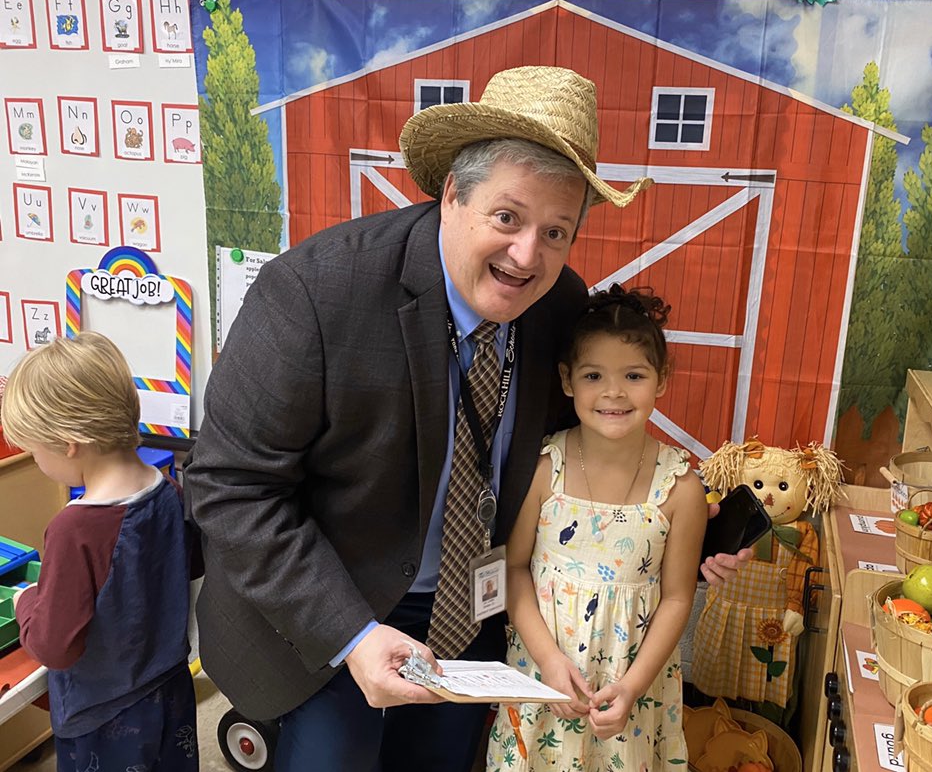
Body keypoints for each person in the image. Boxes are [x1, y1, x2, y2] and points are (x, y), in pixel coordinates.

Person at [185, 65, 747, 772]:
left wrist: (690, 536)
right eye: (507, 218)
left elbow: (592, 440)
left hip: (468, 615)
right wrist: (355, 635)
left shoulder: (559, 306)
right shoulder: (315, 293)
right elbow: (230, 488)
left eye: (556, 232)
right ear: (453, 193)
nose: (525, 256)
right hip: (329, 613)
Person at [485, 285, 706, 771]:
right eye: (593, 375)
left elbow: (676, 597)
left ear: (661, 379)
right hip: (543, 682)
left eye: (633, 375)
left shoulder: (680, 488)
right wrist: (548, 662)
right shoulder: (545, 468)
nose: (613, 392)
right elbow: (514, 568)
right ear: (567, 381)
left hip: (632, 695)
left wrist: (631, 686)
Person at [0, 332, 198, 772]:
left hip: (105, 716)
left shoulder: (75, 528)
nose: (34, 458)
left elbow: (56, 646)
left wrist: (26, 601)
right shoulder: (167, 489)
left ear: (69, 443)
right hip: (169, 690)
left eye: (34, 448)